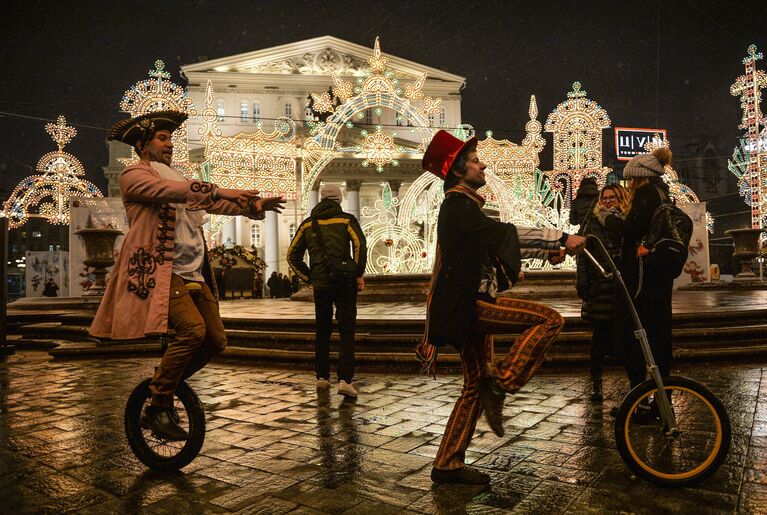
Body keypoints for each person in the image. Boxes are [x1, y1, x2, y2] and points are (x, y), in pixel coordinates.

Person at [90, 110, 285, 441]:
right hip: (162, 273)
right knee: (192, 331)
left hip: (193, 273)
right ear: (141, 144)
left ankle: (164, 382)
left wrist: (253, 206)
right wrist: (222, 190)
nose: (170, 145)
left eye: (171, 139)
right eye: (162, 139)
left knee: (215, 340)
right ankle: (158, 403)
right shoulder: (134, 176)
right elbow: (172, 192)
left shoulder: (178, 177)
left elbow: (207, 203)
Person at [415, 130, 586, 484]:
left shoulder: (462, 208)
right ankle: (504, 382)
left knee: (472, 385)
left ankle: (446, 462)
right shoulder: (458, 206)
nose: (483, 165)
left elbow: (493, 246)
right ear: (459, 170)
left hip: (467, 305)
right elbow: (501, 235)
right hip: (472, 305)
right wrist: (560, 237)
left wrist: (545, 251)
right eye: (476, 161)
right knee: (549, 320)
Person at [602, 147, 674, 420]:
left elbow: (629, 232)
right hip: (657, 279)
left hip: (640, 281)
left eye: (630, 180)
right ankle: (660, 403)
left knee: (634, 338)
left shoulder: (646, 196)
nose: (628, 185)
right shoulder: (664, 195)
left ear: (639, 178)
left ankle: (641, 402)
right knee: (658, 340)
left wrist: (609, 218)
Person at [287, 184, 367, 398]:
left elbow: (292, 256)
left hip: (321, 285)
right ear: (339, 200)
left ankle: (322, 377)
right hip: (345, 282)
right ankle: (344, 380)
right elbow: (360, 245)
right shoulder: (346, 220)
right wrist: (358, 272)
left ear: (321, 200)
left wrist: (309, 277)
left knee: (322, 330)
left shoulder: (307, 224)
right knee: (346, 330)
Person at [575, 184, 630, 401]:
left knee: (625, 340)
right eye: (605, 198)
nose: (607, 201)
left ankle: (631, 385)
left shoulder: (627, 221)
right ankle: (596, 383)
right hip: (600, 287)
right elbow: (583, 255)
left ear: (621, 199)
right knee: (599, 339)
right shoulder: (593, 222)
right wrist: (584, 285)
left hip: (622, 287)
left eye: (613, 198)